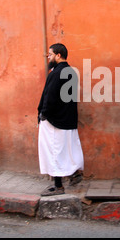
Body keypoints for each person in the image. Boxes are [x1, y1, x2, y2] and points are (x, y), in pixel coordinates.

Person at [37, 43, 84, 196]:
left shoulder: (56, 73)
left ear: (58, 55)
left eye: (50, 54)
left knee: (54, 151)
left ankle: (58, 186)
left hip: (54, 120)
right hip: (68, 119)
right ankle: (74, 172)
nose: (48, 57)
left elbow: (49, 97)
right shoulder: (71, 71)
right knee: (68, 149)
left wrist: (44, 114)